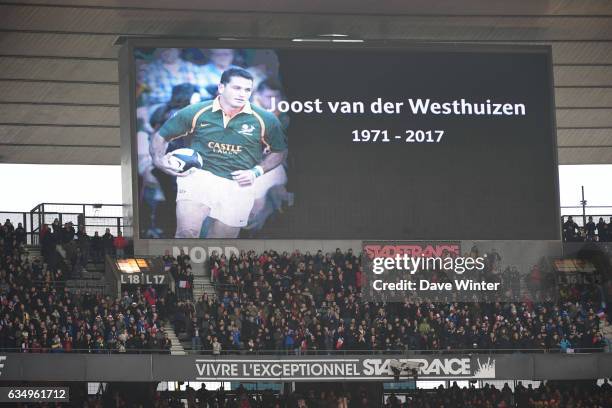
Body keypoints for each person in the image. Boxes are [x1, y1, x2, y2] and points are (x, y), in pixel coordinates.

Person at [150, 68, 288, 238]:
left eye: (247, 90)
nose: (242, 94)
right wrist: (158, 160)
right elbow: (161, 136)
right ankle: (179, 264)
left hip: (238, 183)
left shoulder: (265, 119)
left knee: (221, 245)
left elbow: (280, 151)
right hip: (198, 177)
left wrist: (256, 172)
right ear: (221, 88)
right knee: (187, 233)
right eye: (236, 88)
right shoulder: (196, 111)